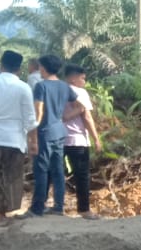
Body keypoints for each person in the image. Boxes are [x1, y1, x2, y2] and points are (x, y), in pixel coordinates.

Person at [0, 50, 37, 226]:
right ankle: (1, 216)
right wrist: (34, 142)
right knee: (8, 177)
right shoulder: (23, 87)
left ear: (1, 66)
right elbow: (30, 120)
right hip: (13, 140)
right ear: (19, 69)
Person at [26, 54, 76, 218]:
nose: (39, 69)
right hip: (59, 131)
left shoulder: (41, 86)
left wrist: (32, 135)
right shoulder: (64, 86)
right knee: (57, 171)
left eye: (40, 66)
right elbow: (79, 105)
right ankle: (58, 207)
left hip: (44, 133)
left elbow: (38, 112)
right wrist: (64, 117)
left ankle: (37, 208)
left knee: (41, 171)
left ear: (44, 68)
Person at [62, 64, 102, 219]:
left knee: (57, 174)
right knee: (82, 176)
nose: (84, 81)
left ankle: (55, 208)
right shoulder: (80, 92)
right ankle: (84, 210)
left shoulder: (58, 90)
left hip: (59, 139)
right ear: (73, 77)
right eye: (82, 78)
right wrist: (96, 139)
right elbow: (87, 117)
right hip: (77, 139)